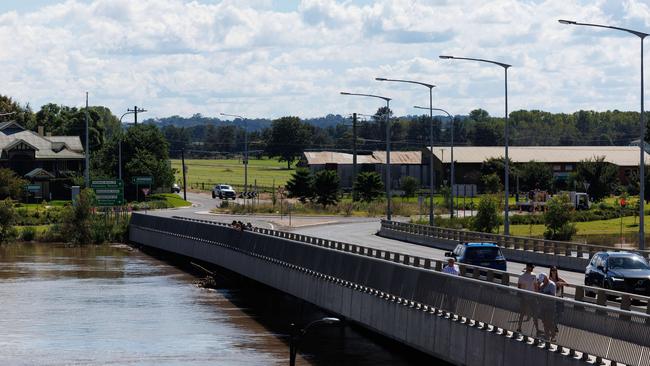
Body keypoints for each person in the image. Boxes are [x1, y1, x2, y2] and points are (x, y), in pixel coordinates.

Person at [516, 263, 539, 333]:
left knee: (528, 313)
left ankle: (536, 329)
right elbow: (536, 287)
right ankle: (520, 328)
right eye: (531, 267)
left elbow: (535, 287)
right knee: (527, 313)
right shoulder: (527, 276)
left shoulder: (530, 275)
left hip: (528, 297)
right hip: (528, 297)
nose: (532, 269)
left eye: (532, 267)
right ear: (527, 267)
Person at [537, 272, 558, 341]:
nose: (542, 282)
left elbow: (552, 295)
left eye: (543, 280)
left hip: (550, 306)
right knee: (544, 321)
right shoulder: (542, 284)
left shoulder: (551, 284)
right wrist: (539, 285)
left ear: (546, 278)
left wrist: (542, 292)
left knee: (549, 322)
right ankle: (546, 335)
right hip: (543, 305)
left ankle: (553, 335)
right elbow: (538, 292)